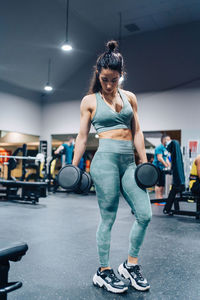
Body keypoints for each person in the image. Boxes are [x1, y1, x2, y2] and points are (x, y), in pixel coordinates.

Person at [72, 40, 152, 294]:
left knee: (145, 213)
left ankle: (130, 265)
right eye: (105, 79)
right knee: (108, 217)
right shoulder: (89, 101)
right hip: (104, 161)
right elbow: (82, 137)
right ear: (98, 74)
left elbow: (137, 130)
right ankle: (104, 271)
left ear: (121, 76)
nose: (109, 85)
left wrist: (145, 162)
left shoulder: (130, 97)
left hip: (129, 162)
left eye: (114, 79)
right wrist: (73, 168)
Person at [153, 135, 171, 199]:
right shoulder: (159, 147)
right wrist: (166, 165)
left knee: (162, 183)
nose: (169, 141)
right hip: (157, 167)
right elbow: (159, 158)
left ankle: (160, 197)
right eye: (168, 139)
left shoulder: (165, 148)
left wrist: (170, 166)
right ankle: (157, 198)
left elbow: (166, 158)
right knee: (158, 184)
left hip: (162, 168)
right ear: (163, 140)